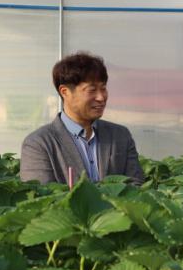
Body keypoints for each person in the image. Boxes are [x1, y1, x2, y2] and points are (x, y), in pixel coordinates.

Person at [20, 52, 144, 185]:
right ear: (65, 92)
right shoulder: (39, 143)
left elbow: (136, 186)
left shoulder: (120, 136)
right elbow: (41, 192)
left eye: (103, 88)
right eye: (92, 90)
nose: (101, 97)